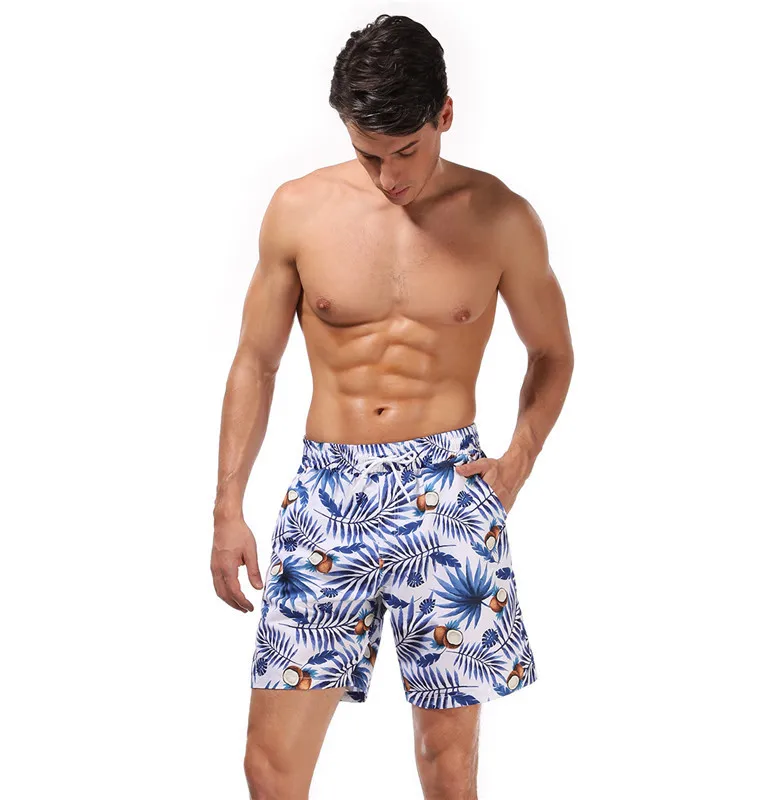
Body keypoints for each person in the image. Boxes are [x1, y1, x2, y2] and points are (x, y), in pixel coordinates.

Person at [211, 13, 573, 799]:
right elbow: (256, 360)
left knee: (447, 763)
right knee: (269, 765)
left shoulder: (502, 218)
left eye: (406, 151)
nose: (387, 177)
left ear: (445, 114)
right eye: (367, 154)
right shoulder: (299, 210)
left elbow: (552, 352)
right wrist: (227, 508)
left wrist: (518, 461)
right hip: (328, 494)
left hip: (448, 490)